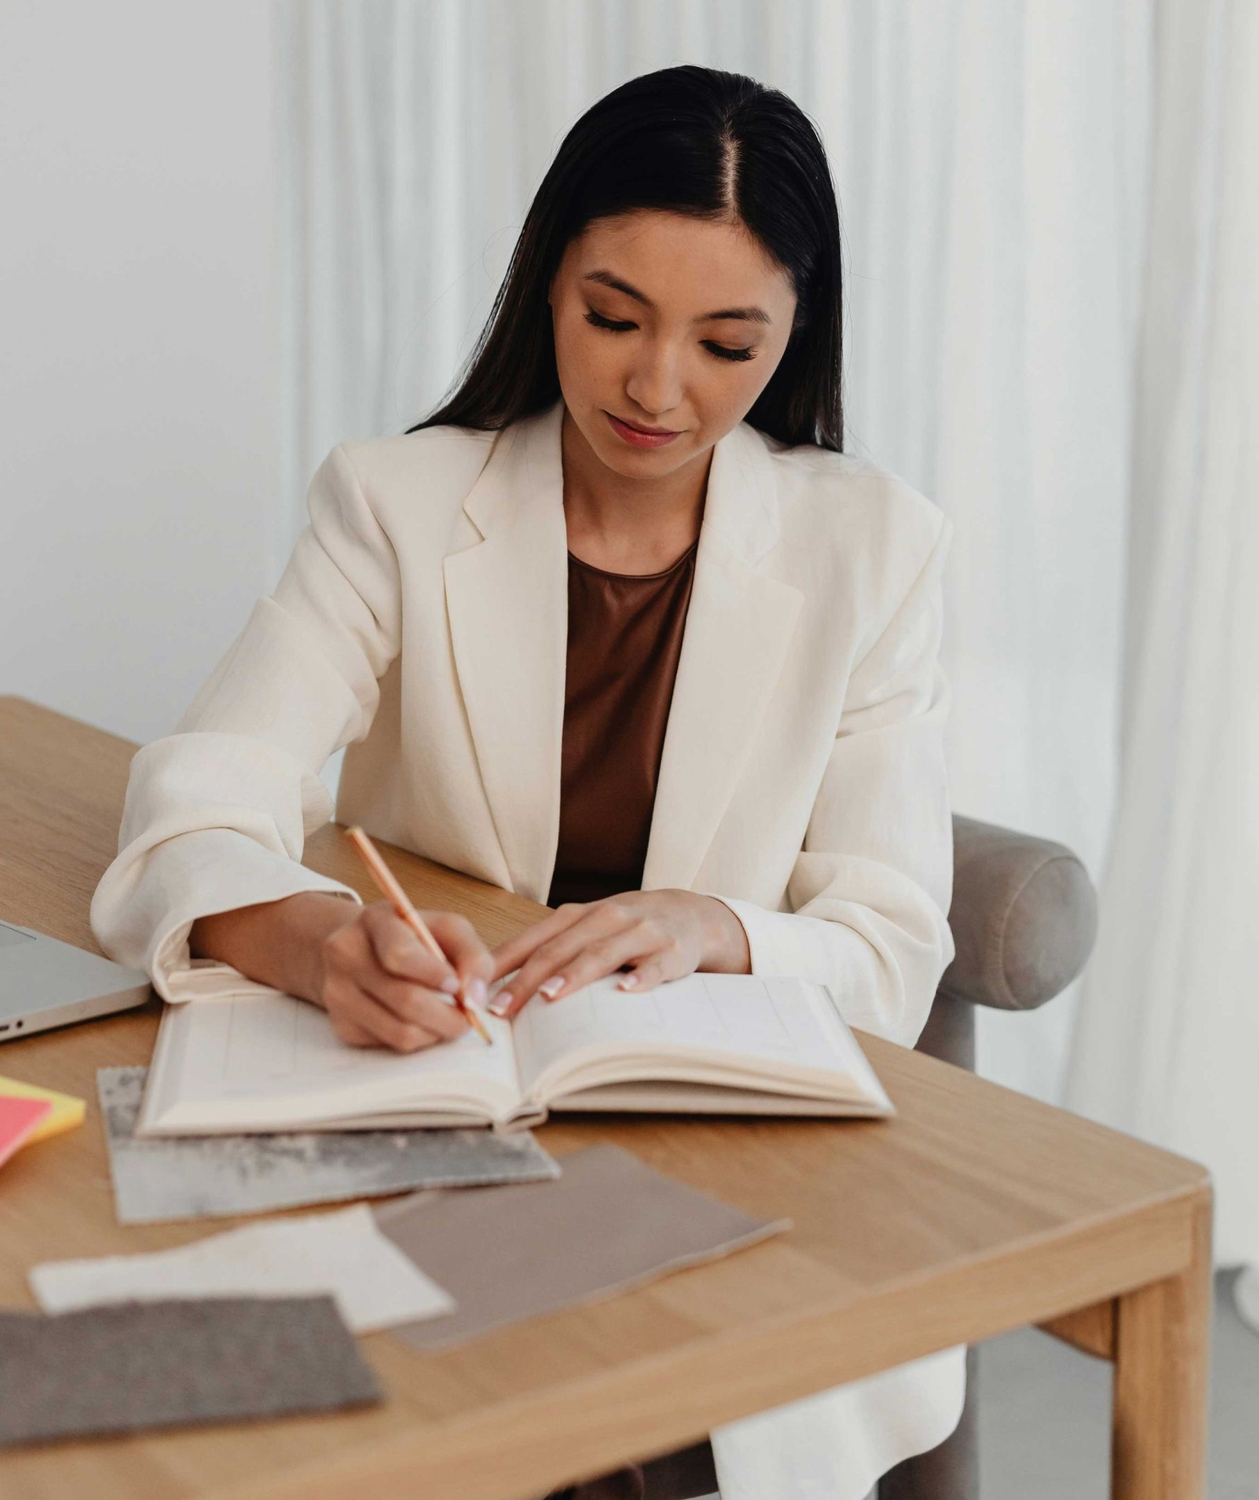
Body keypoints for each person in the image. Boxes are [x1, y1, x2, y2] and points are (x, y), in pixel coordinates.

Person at [92, 64, 961, 1500]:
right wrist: (317, 947)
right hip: (431, 1104)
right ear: (545, 283)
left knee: (648, 1417)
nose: (656, 386)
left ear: (796, 338)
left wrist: (709, 926)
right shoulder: (394, 503)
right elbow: (202, 790)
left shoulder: (873, 549)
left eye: (727, 344)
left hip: (712, 1141)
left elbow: (890, 937)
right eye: (614, 317)